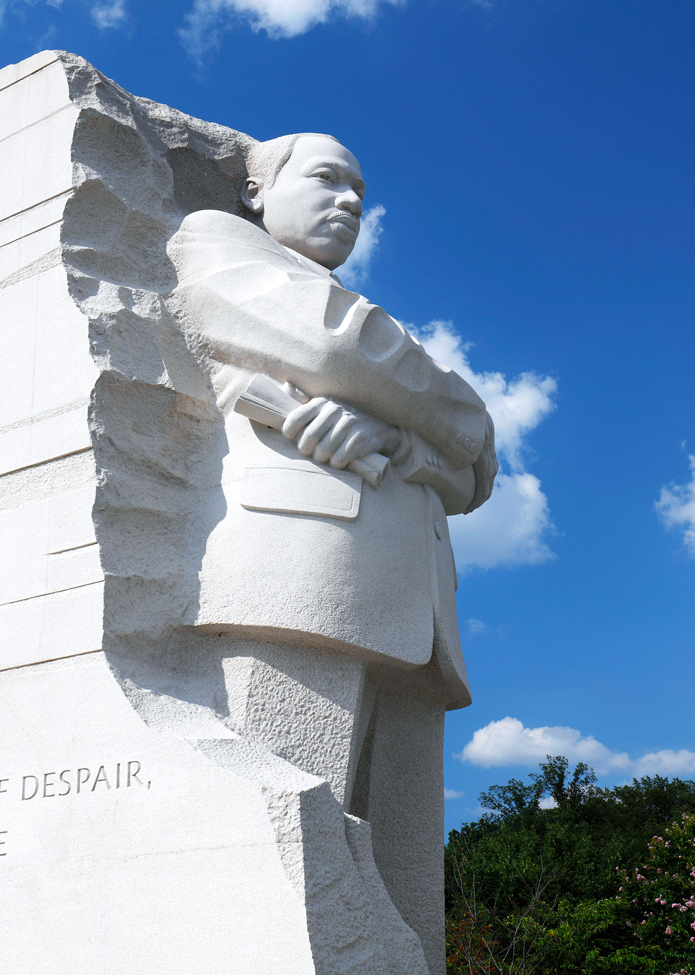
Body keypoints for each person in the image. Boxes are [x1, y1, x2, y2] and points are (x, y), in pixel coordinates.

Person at [163, 133, 497, 974]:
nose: (350, 200)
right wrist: (445, 413)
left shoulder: (380, 342)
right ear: (257, 193)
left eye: (361, 189)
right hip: (302, 575)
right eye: (326, 179)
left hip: (414, 612)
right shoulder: (214, 239)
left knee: (409, 895)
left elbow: (479, 462)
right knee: (277, 859)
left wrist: (395, 430)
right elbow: (338, 348)